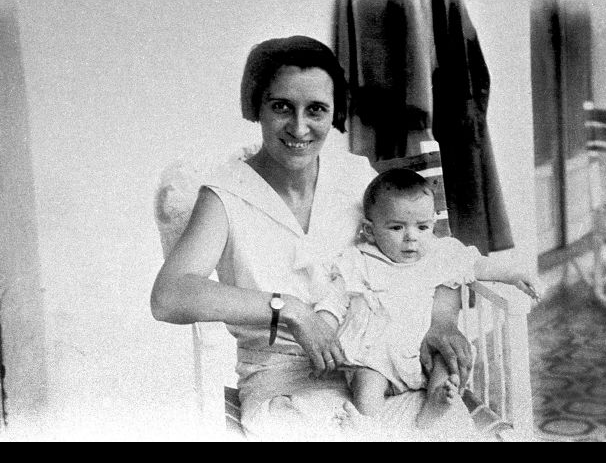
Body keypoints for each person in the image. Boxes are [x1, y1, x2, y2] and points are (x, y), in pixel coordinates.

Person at [150, 35, 475, 441]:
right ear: (256, 107)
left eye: (316, 110)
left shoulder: (356, 179)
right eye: (281, 106)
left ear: (334, 113)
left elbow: (434, 256)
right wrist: (288, 309)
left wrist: (441, 320)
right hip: (286, 383)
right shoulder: (226, 195)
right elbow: (168, 297)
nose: (300, 127)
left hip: (382, 373)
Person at [313, 168, 541, 432]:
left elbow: (476, 264)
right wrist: (322, 334)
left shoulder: (439, 254)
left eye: (422, 227)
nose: (411, 237)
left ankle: (433, 406)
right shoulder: (358, 261)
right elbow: (333, 302)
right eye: (397, 227)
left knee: (446, 364)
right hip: (375, 358)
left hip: (424, 353)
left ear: (432, 225)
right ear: (370, 230)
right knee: (366, 390)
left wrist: (513, 274)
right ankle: (368, 428)